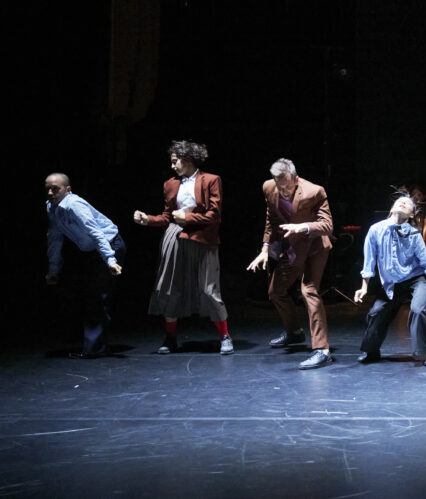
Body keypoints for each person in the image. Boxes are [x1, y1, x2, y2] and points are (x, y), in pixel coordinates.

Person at [133, 140, 232, 355]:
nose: (173, 166)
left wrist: (188, 217)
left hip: (203, 238)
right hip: (175, 236)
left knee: (209, 289)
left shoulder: (211, 180)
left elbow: (214, 215)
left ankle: (225, 336)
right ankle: (170, 338)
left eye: (175, 161)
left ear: (187, 159)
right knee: (170, 287)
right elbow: (167, 217)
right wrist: (148, 220)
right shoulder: (170, 184)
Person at [246, 158, 335, 370]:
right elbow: (271, 219)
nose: (284, 191)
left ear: (295, 179)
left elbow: (327, 225)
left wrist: (302, 227)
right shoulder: (268, 187)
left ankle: (322, 350)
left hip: (314, 246)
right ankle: (294, 332)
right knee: (275, 292)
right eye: (280, 186)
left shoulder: (315, 191)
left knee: (309, 290)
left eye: (287, 186)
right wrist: (265, 248)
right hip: (293, 247)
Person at [45, 173, 125, 359]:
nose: (50, 192)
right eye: (47, 189)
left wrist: (111, 261)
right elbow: (55, 239)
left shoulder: (75, 205)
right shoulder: (51, 207)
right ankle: (93, 346)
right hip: (91, 250)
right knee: (88, 293)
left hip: (109, 245)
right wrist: (53, 270)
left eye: (55, 189)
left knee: (98, 295)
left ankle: (95, 349)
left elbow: (96, 233)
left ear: (68, 190)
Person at [355, 194, 426, 366]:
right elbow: (369, 261)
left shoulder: (414, 234)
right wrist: (364, 287)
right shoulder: (375, 230)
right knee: (376, 312)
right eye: (400, 201)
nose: (403, 202)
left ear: (410, 215)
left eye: (408, 204)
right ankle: (372, 352)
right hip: (391, 283)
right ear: (392, 209)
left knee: (417, 310)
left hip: (415, 280)